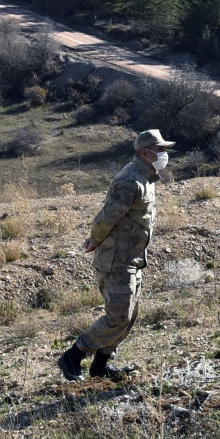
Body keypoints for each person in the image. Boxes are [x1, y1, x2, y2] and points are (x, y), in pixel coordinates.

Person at [58, 128, 174, 381]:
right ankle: (73, 355)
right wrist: (94, 241)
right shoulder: (131, 182)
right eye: (161, 149)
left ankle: (100, 366)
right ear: (145, 152)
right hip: (116, 261)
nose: (165, 154)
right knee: (118, 316)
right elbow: (105, 219)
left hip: (131, 258)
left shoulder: (147, 176)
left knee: (129, 315)